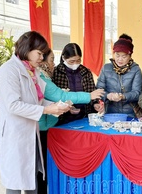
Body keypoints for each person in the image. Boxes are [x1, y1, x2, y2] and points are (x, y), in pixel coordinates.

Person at [0, 31, 71, 194]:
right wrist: (46, 109)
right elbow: (13, 105)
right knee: (14, 184)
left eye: (43, 54)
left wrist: (58, 105)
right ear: (26, 49)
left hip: (30, 132)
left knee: (32, 179)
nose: (42, 58)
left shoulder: (32, 72)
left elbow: (37, 100)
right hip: (15, 135)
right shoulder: (8, 71)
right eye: (39, 53)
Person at [36, 49, 105, 194]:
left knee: (48, 167)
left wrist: (91, 103)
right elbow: (59, 95)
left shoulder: (85, 72)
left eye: (78, 61)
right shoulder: (46, 76)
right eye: (51, 59)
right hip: (46, 126)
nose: (52, 63)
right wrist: (88, 96)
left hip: (58, 122)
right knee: (40, 169)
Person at [96, 33, 142, 117]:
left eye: (124, 56)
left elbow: (137, 93)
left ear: (130, 56)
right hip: (110, 113)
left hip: (130, 114)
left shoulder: (136, 70)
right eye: (117, 55)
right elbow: (99, 89)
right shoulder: (106, 68)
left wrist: (123, 96)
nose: (120, 59)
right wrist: (107, 95)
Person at [52, 43, 99, 125]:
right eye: (71, 61)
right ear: (63, 58)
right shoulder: (56, 73)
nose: (75, 64)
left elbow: (92, 91)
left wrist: (95, 104)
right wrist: (67, 107)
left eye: (78, 61)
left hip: (84, 115)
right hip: (62, 117)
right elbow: (53, 95)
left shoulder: (86, 72)